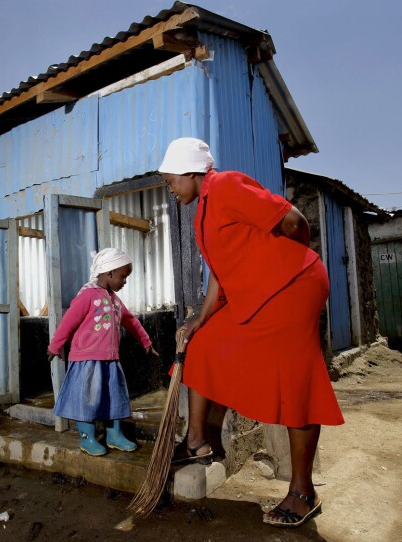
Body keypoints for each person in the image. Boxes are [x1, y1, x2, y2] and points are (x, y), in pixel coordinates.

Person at [159, 137, 344, 528]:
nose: (171, 189)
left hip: (294, 285)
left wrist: (285, 264)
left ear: (192, 171)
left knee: (295, 381)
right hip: (261, 295)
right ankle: (197, 442)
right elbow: (219, 276)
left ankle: (302, 493)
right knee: (204, 343)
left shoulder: (225, 185)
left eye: (172, 180)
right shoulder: (201, 214)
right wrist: (199, 319)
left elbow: (294, 221)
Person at [47, 247, 159, 456]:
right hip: (87, 360)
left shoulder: (115, 300)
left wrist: (146, 342)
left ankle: (114, 435)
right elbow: (68, 322)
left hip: (110, 359)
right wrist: (55, 346)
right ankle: (87, 438)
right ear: (109, 273)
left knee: (114, 396)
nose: (124, 282)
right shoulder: (87, 295)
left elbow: (131, 321)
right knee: (86, 398)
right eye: (123, 277)